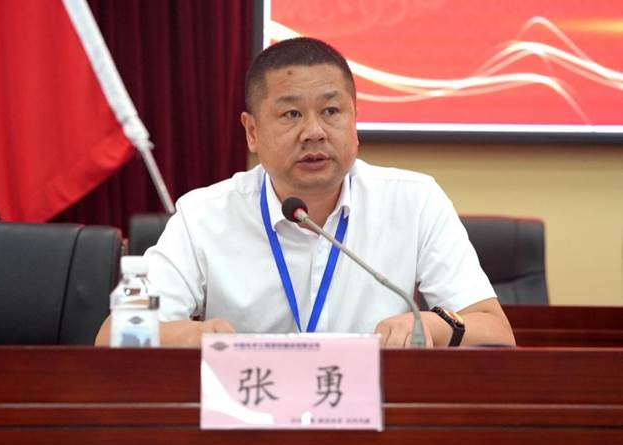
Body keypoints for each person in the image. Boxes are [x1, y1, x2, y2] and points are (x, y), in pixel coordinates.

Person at [95, 37, 515, 348]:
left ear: (354, 121)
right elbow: (115, 334)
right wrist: (195, 336)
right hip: (250, 421)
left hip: (375, 420)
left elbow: (495, 331)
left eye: (331, 111)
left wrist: (431, 326)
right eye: (291, 114)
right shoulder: (202, 214)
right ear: (252, 131)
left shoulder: (415, 201)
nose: (314, 132)